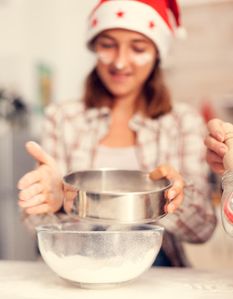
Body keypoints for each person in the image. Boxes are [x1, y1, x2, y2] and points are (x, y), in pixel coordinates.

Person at [17, 0, 217, 267]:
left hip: (156, 267)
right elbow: (33, 223)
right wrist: (54, 202)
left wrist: (173, 199)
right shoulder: (62, 118)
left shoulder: (183, 122)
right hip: (75, 261)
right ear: (94, 47)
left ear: (157, 53)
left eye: (138, 48)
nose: (120, 62)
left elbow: (203, 230)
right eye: (108, 45)